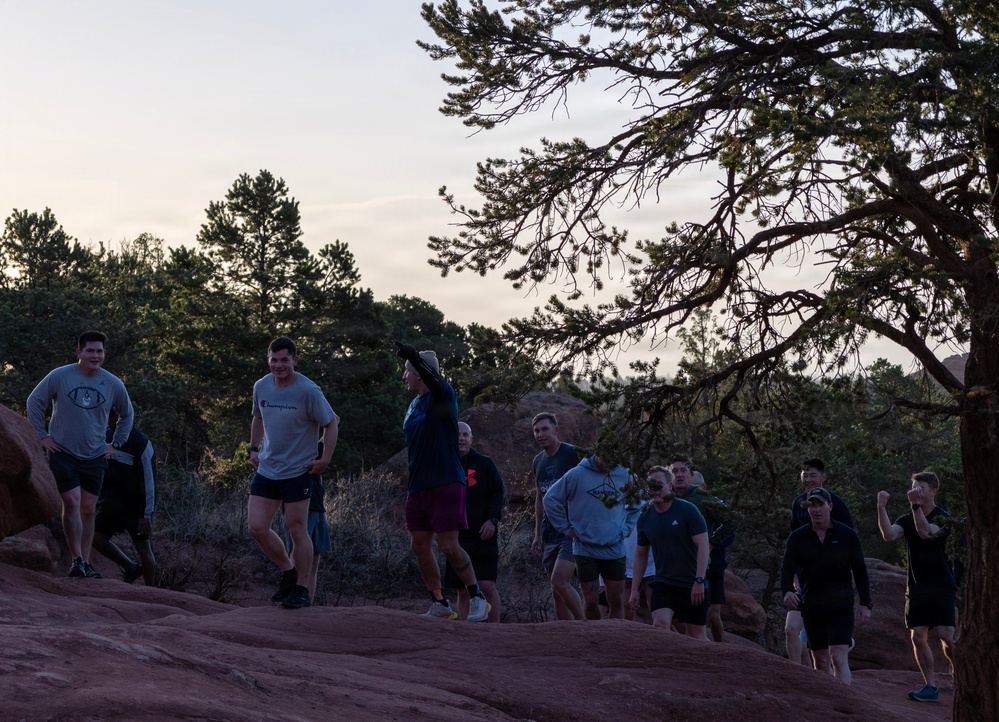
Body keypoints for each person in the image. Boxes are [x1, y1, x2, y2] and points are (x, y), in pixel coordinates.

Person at [27, 330, 134, 579]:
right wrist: (41, 436)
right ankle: (75, 559)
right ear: (79, 352)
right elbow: (35, 401)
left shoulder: (112, 383)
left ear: (104, 354)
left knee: (88, 509)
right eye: (90, 351)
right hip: (63, 451)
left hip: (96, 455)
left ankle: (85, 563)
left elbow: (127, 414)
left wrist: (116, 443)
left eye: (100, 351)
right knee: (72, 502)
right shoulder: (60, 376)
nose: (95, 355)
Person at [396, 342, 490, 622]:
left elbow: (435, 381)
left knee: (449, 545)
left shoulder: (442, 395)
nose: (404, 377)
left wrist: (415, 356)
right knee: (419, 545)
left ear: (419, 374)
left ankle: (477, 598)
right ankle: (439, 602)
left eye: (407, 371)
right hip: (419, 486)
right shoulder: (413, 405)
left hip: (446, 481)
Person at [248, 337, 338, 610]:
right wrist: (253, 447)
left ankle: (300, 588)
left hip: (298, 471)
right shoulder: (261, 386)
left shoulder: (308, 391)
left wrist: (324, 460)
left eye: (285, 360)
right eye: (274, 360)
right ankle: (288, 571)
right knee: (257, 527)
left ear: (294, 360)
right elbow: (258, 416)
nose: (279, 365)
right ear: (268, 360)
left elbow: (331, 423)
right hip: (267, 469)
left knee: (298, 530)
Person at [877, 472, 958, 704]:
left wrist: (915, 506)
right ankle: (930, 686)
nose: (916, 491)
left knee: (946, 637)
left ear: (933, 491)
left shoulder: (943, 518)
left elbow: (926, 533)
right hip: (917, 588)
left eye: (921, 487)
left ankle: (962, 675)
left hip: (942, 586)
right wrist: (881, 507)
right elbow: (889, 535)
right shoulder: (907, 517)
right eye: (913, 487)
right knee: (917, 636)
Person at [780, 488, 872, 685]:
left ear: (829, 506)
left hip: (840, 605)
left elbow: (860, 570)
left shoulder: (846, 535)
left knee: (838, 658)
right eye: (811, 505)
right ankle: (829, 707)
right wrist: (787, 590)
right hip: (812, 605)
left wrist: (865, 604)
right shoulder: (797, 537)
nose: (816, 509)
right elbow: (787, 567)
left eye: (820, 504)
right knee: (821, 662)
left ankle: (845, 704)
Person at [543, 450, 639, 620]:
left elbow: (638, 503)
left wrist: (625, 529)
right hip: (585, 548)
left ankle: (614, 641)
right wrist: (566, 528)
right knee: (591, 599)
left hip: (614, 548)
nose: (609, 463)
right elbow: (550, 499)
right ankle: (593, 638)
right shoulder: (577, 474)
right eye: (606, 457)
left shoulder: (625, 475)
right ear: (597, 452)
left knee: (616, 600)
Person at [785, 458, 855, 664]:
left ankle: (839, 651)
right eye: (804, 475)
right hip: (805, 580)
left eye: (812, 475)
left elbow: (850, 540)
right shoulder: (798, 504)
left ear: (823, 477)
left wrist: (848, 574)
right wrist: (795, 576)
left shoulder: (836, 504)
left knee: (822, 644)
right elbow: (794, 544)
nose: (807, 479)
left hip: (832, 581)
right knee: (791, 629)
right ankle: (799, 676)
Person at [630, 466, 710, 637]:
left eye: (659, 484)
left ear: (669, 486)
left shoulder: (687, 510)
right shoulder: (645, 518)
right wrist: (634, 590)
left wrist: (700, 580)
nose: (655, 489)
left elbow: (703, 546)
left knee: (696, 636)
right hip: (664, 584)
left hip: (692, 583)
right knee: (660, 626)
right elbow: (641, 555)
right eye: (651, 485)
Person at [670, 457, 738, 642]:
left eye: (683, 471)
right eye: (675, 472)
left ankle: (718, 647)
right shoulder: (669, 498)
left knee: (712, 616)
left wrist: (713, 542)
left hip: (712, 566)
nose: (679, 475)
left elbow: (731, 521)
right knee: (678, 616)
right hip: (679, 567)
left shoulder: (704, 499)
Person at [443, 422, 505, 622]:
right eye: (457, 435)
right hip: (456, 538)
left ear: (471, 438)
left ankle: (494, 630)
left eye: (465, 434)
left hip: (483, 534)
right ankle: (466, 633)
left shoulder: (485, 464)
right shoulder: (446, 464)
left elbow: (498, 493)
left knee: (487, 586)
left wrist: (493, 520)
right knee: (462, 590)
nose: (461, 438)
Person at [530, 412, 586, 621]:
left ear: (556, 430)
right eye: (536, 431)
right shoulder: (538, 461)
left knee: (559, 581)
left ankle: (584, 626)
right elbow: (540, 497)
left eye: (545, 429)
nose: (540, 434)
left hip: (570, 530)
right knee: (557, 590)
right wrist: (537, 534)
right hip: (548, 532)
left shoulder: (573, 454)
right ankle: (563, 634)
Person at [92, 424, 156, 585]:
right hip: (111, 505)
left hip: (135, 509)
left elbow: (149, 481)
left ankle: (152, 592)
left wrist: (146, 514)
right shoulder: (106, 437)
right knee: (96, 539)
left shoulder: (141, 443)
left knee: (143, 548)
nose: (109, 419)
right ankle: (131, 567)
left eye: (113, 415)